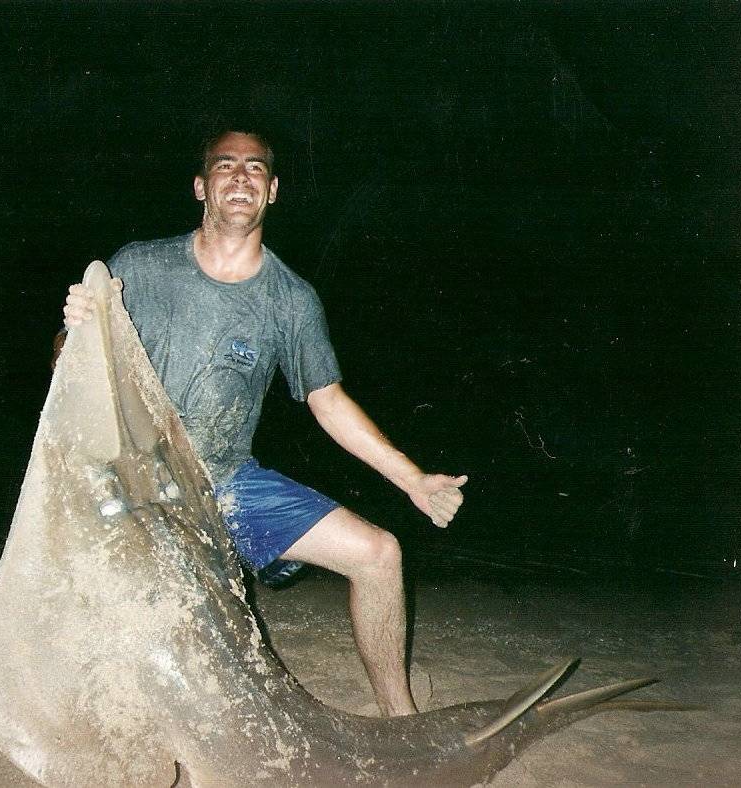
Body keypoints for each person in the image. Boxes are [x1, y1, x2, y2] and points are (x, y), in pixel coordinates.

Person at [60, 130, 466, 717]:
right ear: (201, 186)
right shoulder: (139, 267)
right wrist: (76, 332)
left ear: (272, 191)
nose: (240, 177)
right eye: (225, 166)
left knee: (380, 554)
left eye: (255, 168)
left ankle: (401, 720)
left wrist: (413, 480)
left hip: (230, 485)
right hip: (138, 487)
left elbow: (328, 401)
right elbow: (72, 365)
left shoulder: (290, 299)